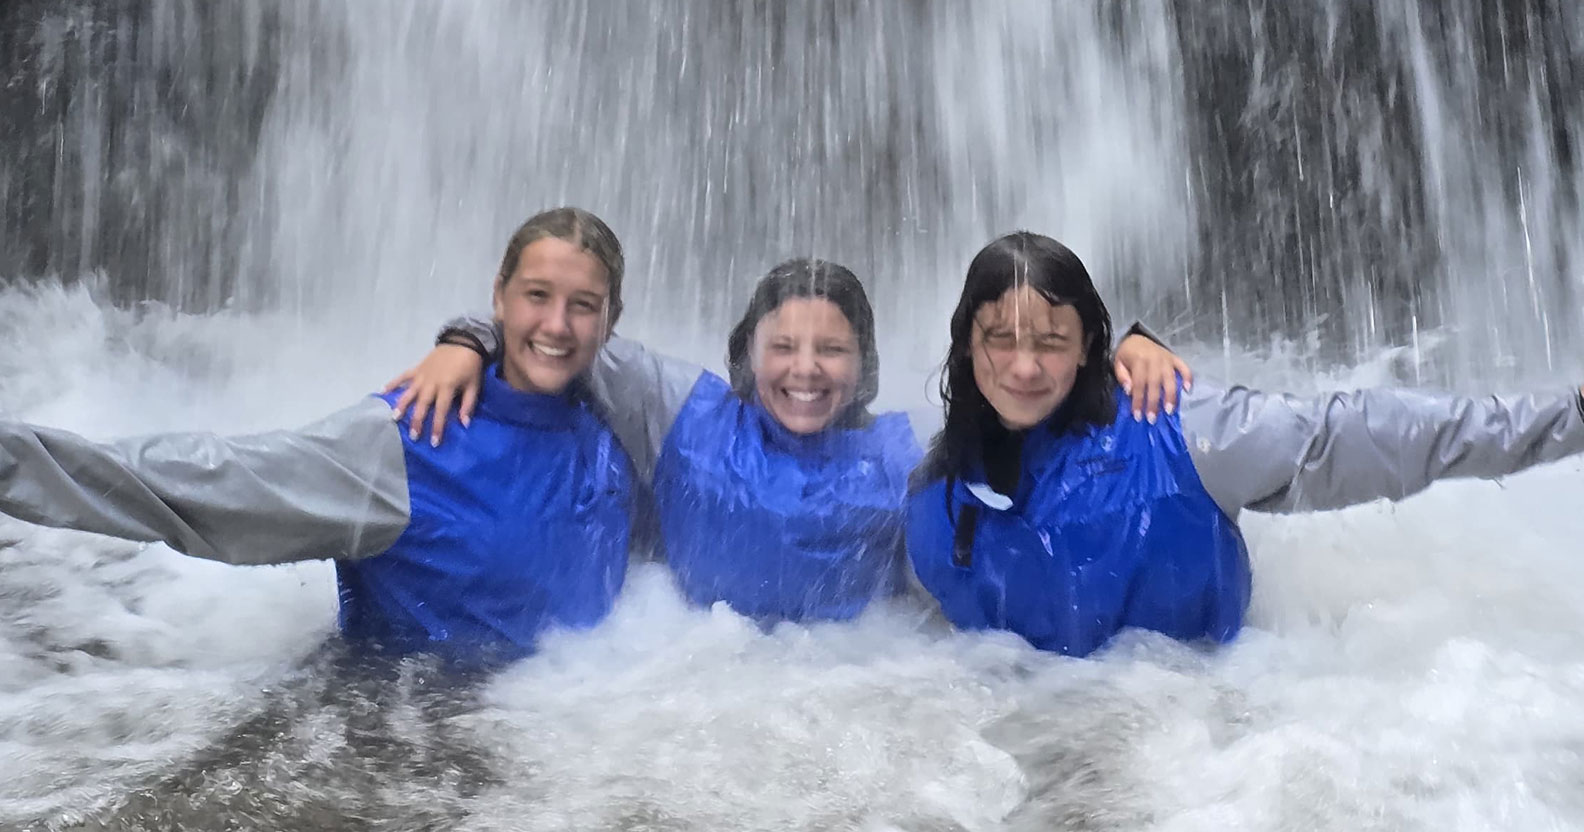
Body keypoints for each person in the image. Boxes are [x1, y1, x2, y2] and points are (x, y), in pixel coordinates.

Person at [0, 208, 636, 662]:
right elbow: (198, 479)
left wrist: (471, 337)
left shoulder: (625, 423)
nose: (557, 324)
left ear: (613, 320)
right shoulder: (407, 440)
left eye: (582, 305)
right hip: (415, 751)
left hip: (579, 741)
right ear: (499, 296)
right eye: (537, 295)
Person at [905, 231, 1584, 657]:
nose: (1025, 368)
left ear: (1088, 347)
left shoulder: (1187, 429)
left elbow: (1381, 434)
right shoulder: (930, 494)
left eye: (1051, 341)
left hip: (1218, 750)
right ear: (968, 344)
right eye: (1001, 339)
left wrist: (1571, 416)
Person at [389, 261, 1187, 623]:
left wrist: (1129, 351)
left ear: (864, 365)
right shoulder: (679, 411)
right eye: (783, 348)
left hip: (850, 700)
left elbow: (1025, 392)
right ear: (746, 353)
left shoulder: (911, 456)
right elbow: (554, 330)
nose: (805, 372)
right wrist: (466, 337)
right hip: (677, 688)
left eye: (831, 351)